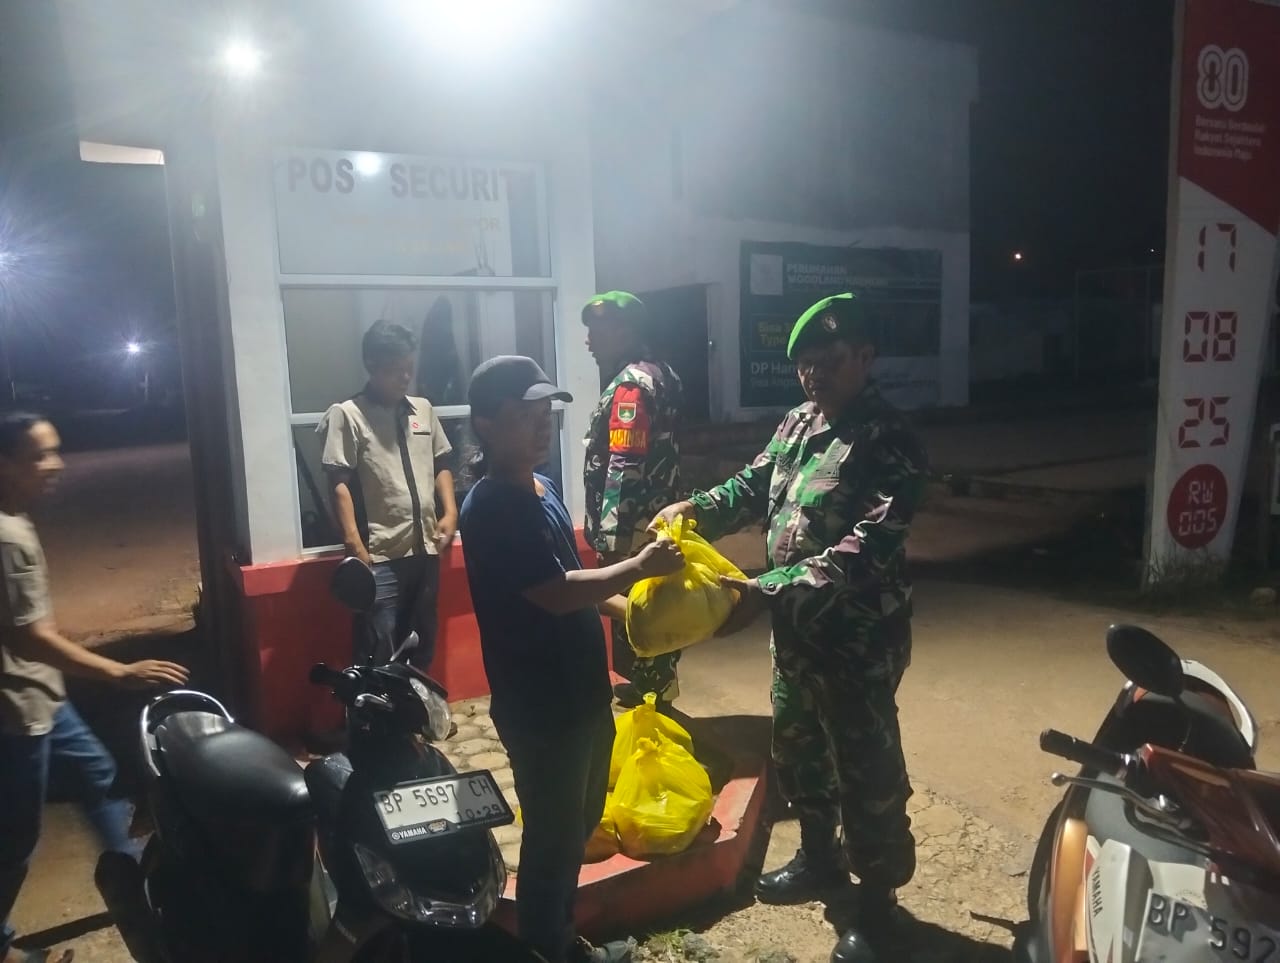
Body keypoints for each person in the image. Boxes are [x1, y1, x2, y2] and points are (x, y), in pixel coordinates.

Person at [650, 293, 926, 959]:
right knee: (799, 748)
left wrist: (763, 591)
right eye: (804, 364)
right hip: (798, 635)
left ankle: (878, 903)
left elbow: (865, 549)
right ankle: (819, 859)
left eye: (828, 361)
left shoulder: (889, 439)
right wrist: (696, 508)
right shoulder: (799, 422)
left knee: (864, 766)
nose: (813, 375)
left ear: (865, 357)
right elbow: (751, 487)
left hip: (857, 638)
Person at [458, 356, 682, 963]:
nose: (541, 427)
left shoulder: (542, 488)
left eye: (546, 414)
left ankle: (556, 932)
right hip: (540, 705)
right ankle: (549, 945)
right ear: (484, 424)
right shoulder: (492, 506)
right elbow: (555, 592)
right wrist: (638, 567)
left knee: (580, 819)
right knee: (554, 839)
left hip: (583, 691)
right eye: (523, 416)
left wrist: (633, 615)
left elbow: (575, 580)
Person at [0, 412, 189, 963]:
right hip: (16, 708)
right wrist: (119, 672)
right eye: (39, 455)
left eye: (56, 450)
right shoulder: (8, 536)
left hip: (42, 694)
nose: (55, 464)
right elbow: (30, 637)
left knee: (98, 777)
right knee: (16, 839)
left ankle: (138, 892)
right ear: (5, 464)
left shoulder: (14, 518)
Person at [319, 320, 457, 671]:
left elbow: (441, 464)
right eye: (396, 369)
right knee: (378, 647)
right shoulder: (348, 415)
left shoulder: (423, 410)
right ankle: (375, 709)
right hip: (379, 557)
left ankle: (413, 704)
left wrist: (450, 513)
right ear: (372, 364)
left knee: (421, 642)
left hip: (425, 550)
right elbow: (338, 483)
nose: (405, 377)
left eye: (409, 367)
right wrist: (354, 544)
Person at [581, 292, 684, 708]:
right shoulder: (663, 372)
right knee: (661, 607)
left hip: (634, 530)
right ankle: (657, 692)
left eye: (597, 330)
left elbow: (624, 464)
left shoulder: (630, 386)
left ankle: (650, 705)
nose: (589, 340)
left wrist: (612, 540)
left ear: (623, 332)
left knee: (638, 614)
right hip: (659, 519)